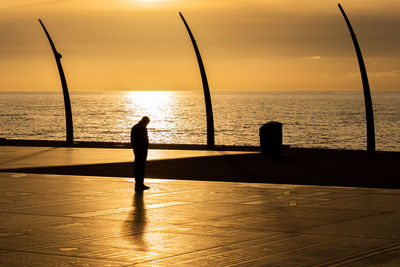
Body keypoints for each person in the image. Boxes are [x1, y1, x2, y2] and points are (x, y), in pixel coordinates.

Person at [131, 116, 150, 191]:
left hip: (141, 149)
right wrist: (138, 148)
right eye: (147, 123)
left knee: (140, 167)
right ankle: (139, 184)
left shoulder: (137, 127)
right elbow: (134, 140)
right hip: (140, 150)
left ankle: (139, 183)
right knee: (139, 167)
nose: (147, 124)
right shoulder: (139, 128)